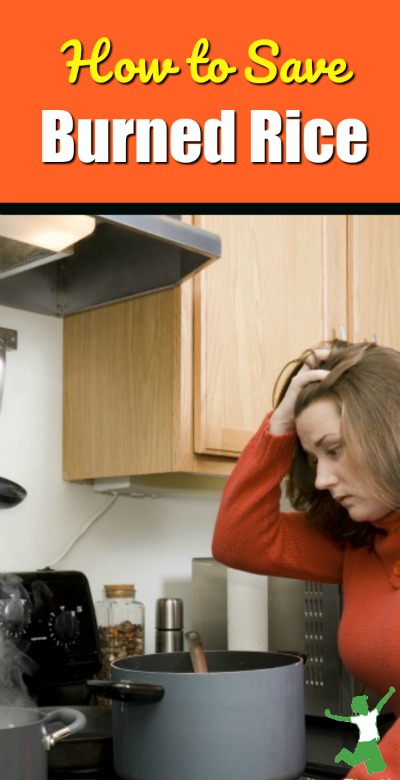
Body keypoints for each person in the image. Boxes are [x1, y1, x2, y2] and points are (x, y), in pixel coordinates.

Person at [212, 339, 400, 780]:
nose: (321, 479)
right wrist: (279, 424)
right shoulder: (363, 542)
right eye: (313, 458)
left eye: (333, 450)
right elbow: (239, 541)